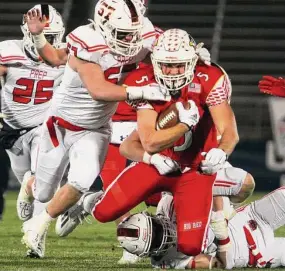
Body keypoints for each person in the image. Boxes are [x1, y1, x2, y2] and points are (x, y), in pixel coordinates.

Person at [80, 28, 254, 257]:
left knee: (191, 247)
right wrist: (181, 127)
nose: (172, 72)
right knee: (102, 213)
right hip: (157, 165)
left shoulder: (209, 78)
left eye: (179, 65)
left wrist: (222, 152)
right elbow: (150, 143)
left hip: (194, 172)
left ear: (192, 62)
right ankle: (93, 201)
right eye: (166, 65)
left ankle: (181, 223)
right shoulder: (145, 82)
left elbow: (229, 131)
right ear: (155, 63)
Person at [19, 0, 172, 259]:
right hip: (60, 125)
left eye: (134, 32)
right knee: (43, 191)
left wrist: (196, 57)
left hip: (96, 128)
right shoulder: (87, 42)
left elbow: (170, 49)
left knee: (82, 179)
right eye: (123, 34)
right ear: (103, 26)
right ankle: (29, 184)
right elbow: (98, 90)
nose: (130, 39)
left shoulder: (143, 33)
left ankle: (38, 225)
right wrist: (38, 37)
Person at [0, 4, 65, 223]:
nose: (47, 43)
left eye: (52, 37)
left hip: (43, 126)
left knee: (43, 185)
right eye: (43, 36)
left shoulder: (65, 56)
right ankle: (26, 188)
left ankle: (35, 236)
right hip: (12, 128)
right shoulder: (9, 51)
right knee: (26, 180)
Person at [118, 189, 285, 269]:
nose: (163, 235)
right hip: (254, 251)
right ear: (149, 252)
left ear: (152, 217)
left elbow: (211, 184)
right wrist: (222, 238)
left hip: (250, 217)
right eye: (156, 240)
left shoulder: (169, 202)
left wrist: (219, 209)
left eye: (156, 229)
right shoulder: (167, 260)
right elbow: (221, 264)